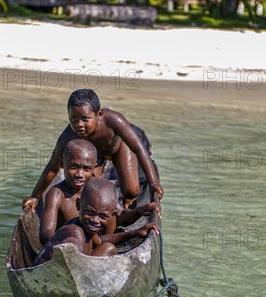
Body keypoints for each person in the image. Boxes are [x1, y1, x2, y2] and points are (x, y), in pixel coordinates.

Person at [23, 89, 163, 211]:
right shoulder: (68, 135)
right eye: (73, 119)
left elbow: (139, 149)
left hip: (118, 148)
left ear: (99, 114)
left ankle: (127, 203)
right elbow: (53, 166)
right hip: (94, 156)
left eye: (85, 119)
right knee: (87, 190)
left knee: (131, 191)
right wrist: (35, 196)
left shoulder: (114, 120)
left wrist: (153, 183)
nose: (79, 125)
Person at [39, 139, 161, 246]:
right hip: (71, 244)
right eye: (74, 166)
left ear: (93, 168)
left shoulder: (96, 187)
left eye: (86, 169)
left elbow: (120, 217)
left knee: (108, 224)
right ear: (61, 164)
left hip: (99, 241)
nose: (79, 174)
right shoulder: (57, 194)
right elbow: (46, 234)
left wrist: (139, 211)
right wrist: (67, 243)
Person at [33, 178, 158, 265]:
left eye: (103, 216)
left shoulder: (88, 229)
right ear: (78, 205)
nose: (94, 220)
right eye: (90, 212)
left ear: (112, 216)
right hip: (60, 273)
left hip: (80, 270)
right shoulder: (73, 231)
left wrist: (135, 233)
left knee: (108, 248)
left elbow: (100, 241)